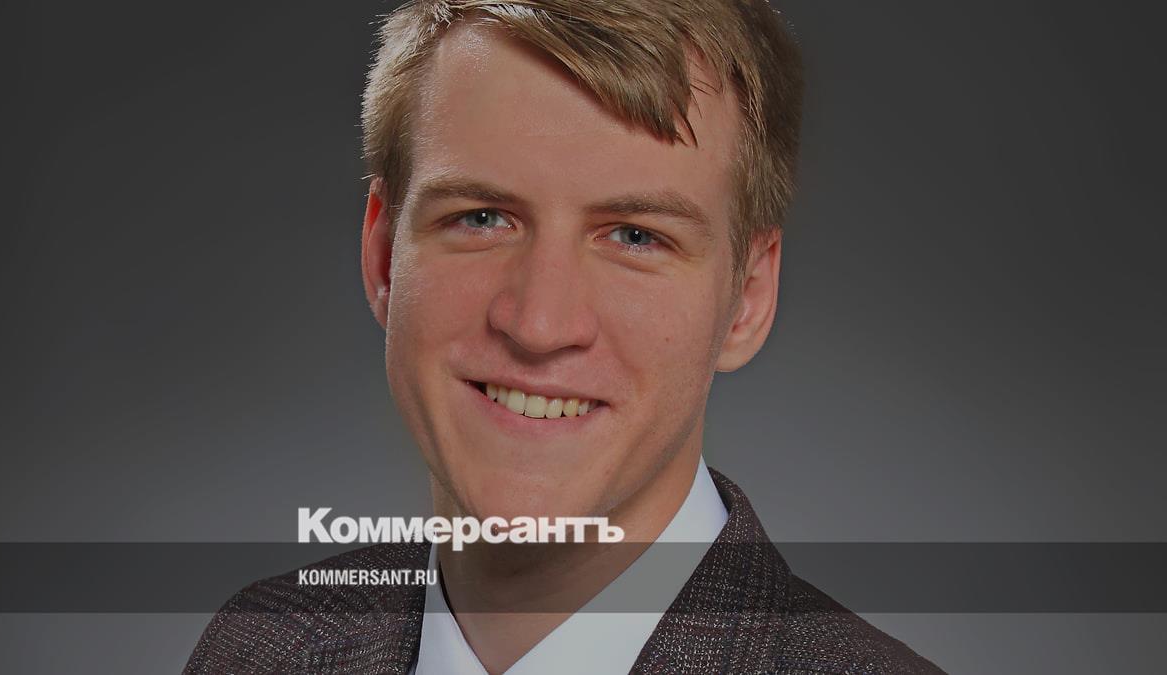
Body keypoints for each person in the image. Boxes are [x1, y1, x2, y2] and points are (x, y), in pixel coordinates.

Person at [188, 1, 943, 672]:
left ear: (747, 298)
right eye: (482, 217)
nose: (540, 325)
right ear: (384, 257)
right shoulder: (259, 649)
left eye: (634, 235)